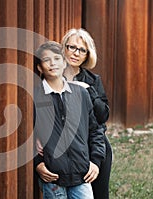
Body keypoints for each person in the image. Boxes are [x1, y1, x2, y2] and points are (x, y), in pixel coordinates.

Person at [33, 41, 105, 199]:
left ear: (64, 62)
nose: (53, 63)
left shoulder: (81, 93)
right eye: (46, 60)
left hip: (82, 174)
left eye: (57, 58)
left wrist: (95, 161)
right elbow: (26, 136)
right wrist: (37, 163)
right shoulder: (34, 97)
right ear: (39, 68)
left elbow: (96, 130)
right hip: (53, 177)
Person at [61, 28, 112, 199]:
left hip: (94, 147)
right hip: (65, 149)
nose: (76, 53)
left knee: (98, 194)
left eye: (82, 50)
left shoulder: (92, 80)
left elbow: (103, 115)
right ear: (64, 48)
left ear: (87, 55)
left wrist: (88, 91)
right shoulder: (52, 77)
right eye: (72, 47)